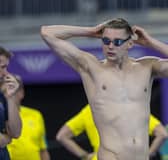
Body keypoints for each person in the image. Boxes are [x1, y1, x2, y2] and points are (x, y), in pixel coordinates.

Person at [40, 18, 168, 160]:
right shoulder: (92, 68)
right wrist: (89, 31)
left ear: (130, 43)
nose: (110, 46)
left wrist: (150, 42)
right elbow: (47, 33)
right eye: (106, 41)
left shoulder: (147, 67)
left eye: (117, 42)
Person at [56, 104, 168, 160]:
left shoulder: (90, 109)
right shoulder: (132, 108)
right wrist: (147, 154)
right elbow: (162, 134)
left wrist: (85, 155)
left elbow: (62, 136)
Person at [7, 75, 50, 160]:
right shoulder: (2, 115)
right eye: (8, 89)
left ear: (22, 92)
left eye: (15, 89)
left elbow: (43, 149)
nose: (11, 93)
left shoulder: (36, 115)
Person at [0, 47, 22, 160]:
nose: (6, 73)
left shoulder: (2, 95)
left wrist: (11, 97)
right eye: (2, 67)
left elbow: (16, 132)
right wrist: (5, 139)